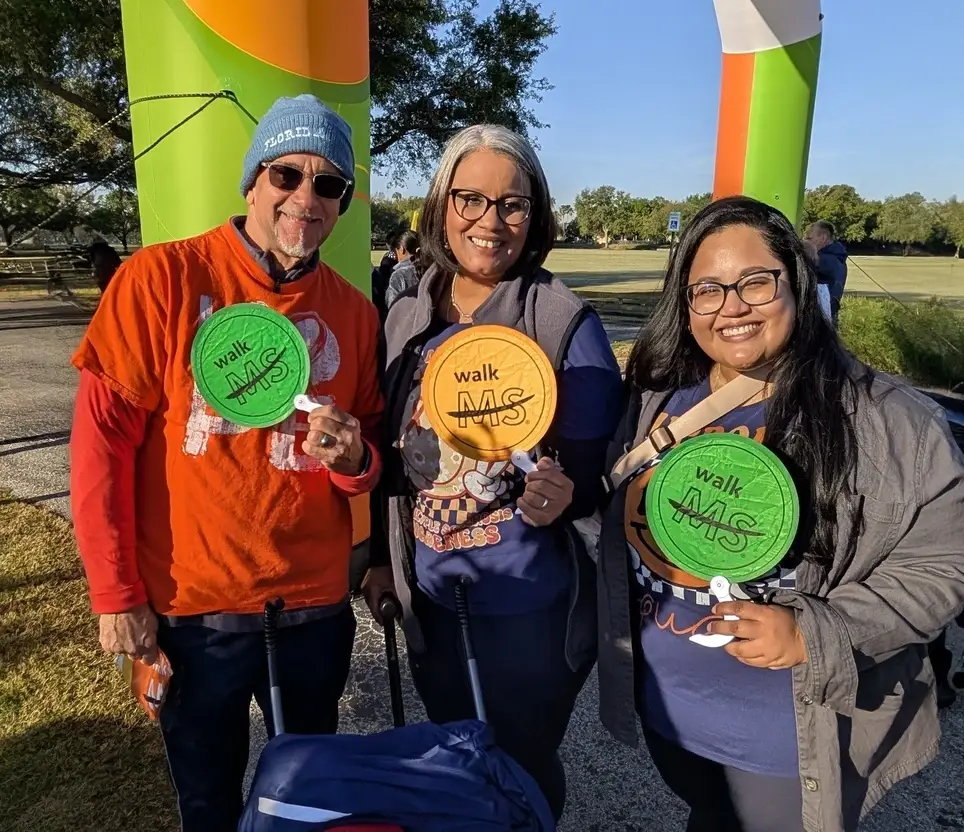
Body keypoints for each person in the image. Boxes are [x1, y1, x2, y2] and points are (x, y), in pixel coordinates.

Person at [595, 195, 964, 832]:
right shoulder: (658, 398)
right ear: (685, 304)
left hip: (787, 742)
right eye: (707, 289)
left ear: (795, 281)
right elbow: (618, 525)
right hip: (671, 714)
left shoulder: (888, 420)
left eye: (755, 283)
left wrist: (813, 634)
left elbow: (943, 565)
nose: (732, 306)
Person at [69, 94, 383, 832]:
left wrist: (354, 458)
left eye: (328, 184)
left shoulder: (355, 311)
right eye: (286, 174)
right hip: (194, 610)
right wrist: (116, 595)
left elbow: (368, 463)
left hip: (312, 607)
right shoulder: (161, 279)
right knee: (207, 801)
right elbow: (100, 448)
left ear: (342, 203)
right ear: (252, 182)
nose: (305, 197)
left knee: (303, 802)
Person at [364, 124, 624, 821]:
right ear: (441, 206)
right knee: (458, 765)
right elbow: (391, 456)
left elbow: (600, 480)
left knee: (519, 771)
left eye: (513, 203)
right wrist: (380, 560)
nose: (491, 220)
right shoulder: (408, 313)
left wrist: (565, 496)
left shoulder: (564, 322)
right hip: (431, 599)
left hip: (525, 614)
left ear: (536, 215)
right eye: (471, 199)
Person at [805, 219, 848, 325]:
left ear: (824, 238)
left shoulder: (826, 260)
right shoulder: (835, 257)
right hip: (826, 317)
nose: (807, 241)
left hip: (821, 320)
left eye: (809, 238)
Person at [384, 229, 423, 308]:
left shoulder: (399, 275)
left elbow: (392, 306)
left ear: (402, 249)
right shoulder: (429, 269)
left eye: (396, 250)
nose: (396, 254)